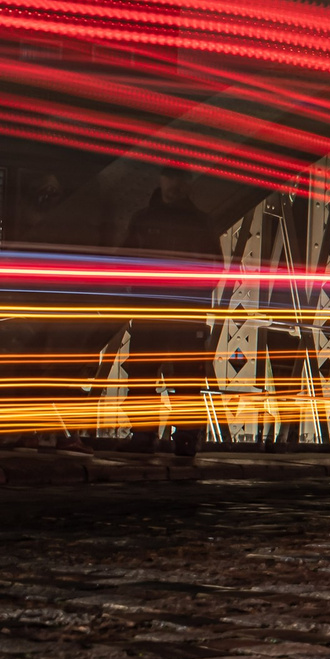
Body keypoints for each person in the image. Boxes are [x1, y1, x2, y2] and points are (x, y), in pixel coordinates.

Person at [120, 168, 224, 460]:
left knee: (178, 378)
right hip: (169, 312)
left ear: (187, 183)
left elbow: (213, 269)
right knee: (151, 376)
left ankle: (157, 437)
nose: (174, 184)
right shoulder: (156, 219)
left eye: (179, 178)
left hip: (172, 311)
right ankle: (170, 438)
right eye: (169, 176)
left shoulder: (148, 219)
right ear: (161, 179)